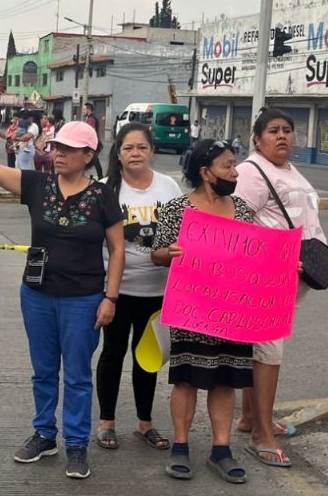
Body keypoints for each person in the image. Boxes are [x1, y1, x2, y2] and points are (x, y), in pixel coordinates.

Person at [0, 107, 124, 479]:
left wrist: (110, 297)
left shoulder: (102, 196)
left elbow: (117, 250)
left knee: (79, 375)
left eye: (68, 149)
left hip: (84, 299)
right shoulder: (38, 185)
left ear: (88, 155)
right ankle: (44, 434)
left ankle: (78, 444)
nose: (59, 153)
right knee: (44, 371)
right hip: (37, 295)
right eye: (56, 147)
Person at [151, 139, 254, 484]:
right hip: (191, 309)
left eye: (234, 165)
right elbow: (157, 253)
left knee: (225, 379)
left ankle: (221, 450)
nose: (234, 172)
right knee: (186, 378)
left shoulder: (242, 210)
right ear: (206, 173)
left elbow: (257, 255)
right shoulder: (178, 209)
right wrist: (172, 253)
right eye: (228, 166)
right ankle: (180, 446)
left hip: (232, 312)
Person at [234, 108, 326, 468]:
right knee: (268, 353)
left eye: (288, 130)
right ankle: (261, 436)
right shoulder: (252, 172)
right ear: (257, 138)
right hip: (265, 278)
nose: (283, 136)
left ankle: (251, 419)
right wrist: (274, 256)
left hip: (293, 278)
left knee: (261, 351)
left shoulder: (289, 170)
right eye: (273, 130)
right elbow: (238, 224)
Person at [94, 122, 182, 452]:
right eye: (128, 148)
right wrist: (104, 292)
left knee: (147, 359)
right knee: (113, 354)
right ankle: (107, 423)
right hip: (116, 290)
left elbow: (185, 232)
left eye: (142, 147)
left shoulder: (169, 186)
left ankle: (145, 423)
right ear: (118, 153)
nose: (135, 153)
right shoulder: (104, 188)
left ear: (152, 151)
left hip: (158, 291)